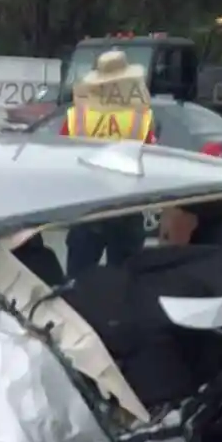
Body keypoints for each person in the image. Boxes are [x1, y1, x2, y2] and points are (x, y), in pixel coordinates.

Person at [59, 50, 158, 280]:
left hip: (87, 207)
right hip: (126, 207)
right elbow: (150, 160)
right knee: (125, 280)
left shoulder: (77, 117)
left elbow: (63, 159)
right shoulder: (140, 118)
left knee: (77, 280)